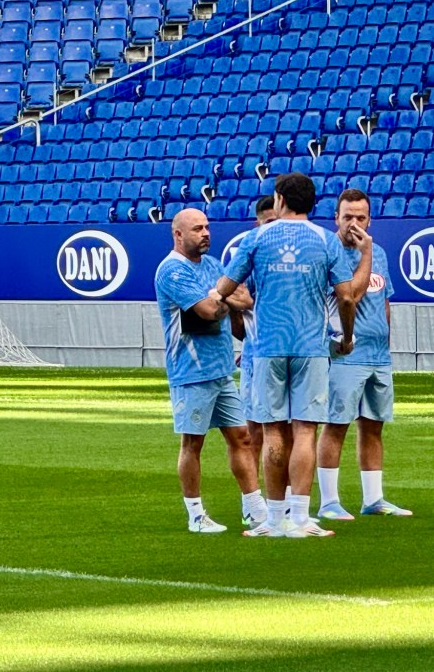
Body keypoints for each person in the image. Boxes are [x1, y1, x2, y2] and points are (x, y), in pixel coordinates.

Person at [215, 172, 372, 538]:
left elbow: (225, 286)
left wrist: (222, 296)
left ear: (280, 200)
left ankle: (273, 520)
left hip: (267, 347)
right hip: (310, 346)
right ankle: (300, 518)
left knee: (272, 431)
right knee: (305, 430)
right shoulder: (325, 241)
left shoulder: (257, 237)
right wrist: (347, 337)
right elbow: (346, 296)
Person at [154, 207, 267, 533]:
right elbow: (205, 310)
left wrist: (222, 298)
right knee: (193, 442)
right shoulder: (172, 270)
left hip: (220, 368)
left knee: (242, 437)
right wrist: (224, 299)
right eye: (197, 229)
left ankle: (254, 509)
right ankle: (195, 515)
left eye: (206, 227)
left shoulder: (215, 265)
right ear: (178, 234)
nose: (205, 233)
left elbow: (243, 299)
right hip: (190, 370)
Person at [315, 188, 411, 520]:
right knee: (336, 424)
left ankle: (373, 499)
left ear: (370, 219)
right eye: (348, 217)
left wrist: (386, 343)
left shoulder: (378, 252)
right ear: (336, 218)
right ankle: (329, 501)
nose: (354, 224)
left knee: (373, 426)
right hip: (344, 352)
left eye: (360, 217)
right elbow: (350, 297)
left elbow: (384, 300)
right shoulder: (329, 253)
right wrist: (366, 251)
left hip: (377, 355)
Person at [235, 195, 278, 515]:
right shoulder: (249, 254)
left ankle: (285, 500)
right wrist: (248, 338)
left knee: (290, 431)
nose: (274, 228)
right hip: (256, 355)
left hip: (291, 354)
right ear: (258, 223)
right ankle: (251, 502)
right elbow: (235, 305)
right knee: (254, 433)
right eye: (269, 222)